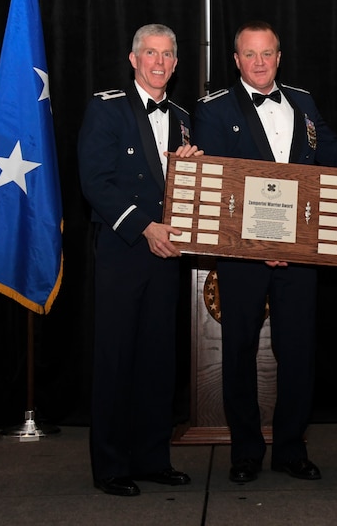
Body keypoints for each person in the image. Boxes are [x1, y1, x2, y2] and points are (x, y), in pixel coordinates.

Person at [191, 20, 337, 483]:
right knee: (238, 349)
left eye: (267, 53)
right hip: (242, 255)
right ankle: (245, 451)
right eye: (250, 54)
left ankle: (290, 448)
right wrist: (261, 243)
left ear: (279, 58)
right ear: (236, 60)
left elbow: (332, 152)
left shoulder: (303, 102)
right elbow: (220, 183)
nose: (259, 62)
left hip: (299, 254)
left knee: (298, 350)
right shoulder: (213, 109)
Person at [78, 24, 201, 497]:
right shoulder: (106, 108)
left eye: (167, 55)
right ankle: (111, 465)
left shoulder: (184, 117)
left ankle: (153, 457)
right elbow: (95, 181)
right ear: (134, 59)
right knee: (116, 358)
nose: (159, 62)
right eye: (150, 53)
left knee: (157, 358)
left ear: (176, 63)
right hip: (124, 249)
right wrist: (145, 228)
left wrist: (192, 171)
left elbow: (180, 189)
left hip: (167, 253)